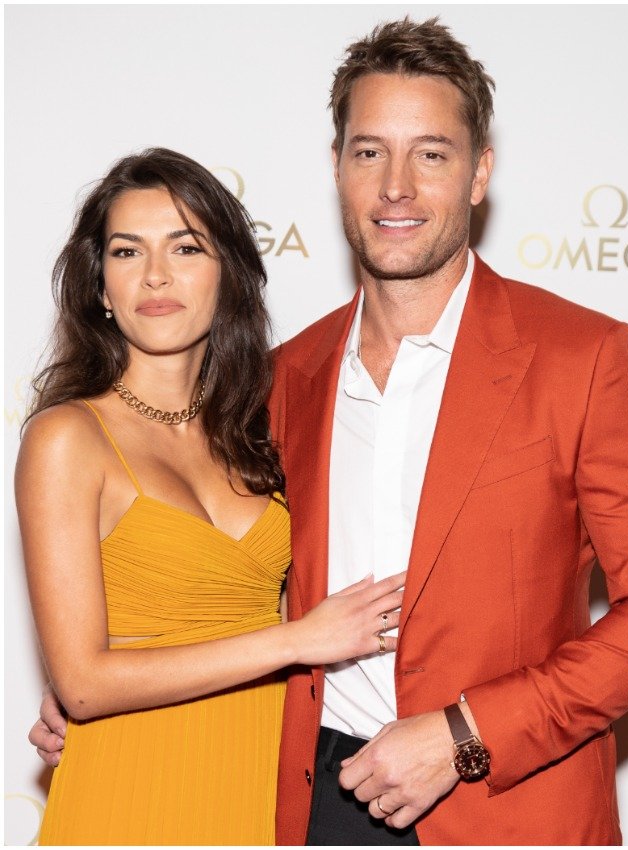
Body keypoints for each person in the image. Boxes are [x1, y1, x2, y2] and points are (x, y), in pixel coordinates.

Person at [33, 17, 628, 845]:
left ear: (479, 174)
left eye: (430, 153)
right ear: (336, 170)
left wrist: (468, 735)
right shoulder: (281, 379)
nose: (396, 185)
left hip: (510, 810)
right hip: (305, 804)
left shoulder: (584, 355)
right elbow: (228, 582)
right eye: (369, 152)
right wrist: (106, 692)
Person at [16, 148, 406, 845]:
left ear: (227, 274)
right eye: (127, 251)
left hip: (265, 782)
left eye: (186, 247)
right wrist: (300, 640)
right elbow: (82, 684)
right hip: (132, 782)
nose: (156, 275)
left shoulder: (266, 426)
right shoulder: (67, 438)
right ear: (101, 286)